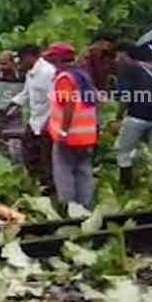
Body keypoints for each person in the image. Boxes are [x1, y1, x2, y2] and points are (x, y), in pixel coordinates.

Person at [114, 43, 152, 195]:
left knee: (123, 151)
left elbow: (125, 97)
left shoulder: (126, 68)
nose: (116, 59)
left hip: (138, 115)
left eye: (117, 55)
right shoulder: (147, 68)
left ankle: (126, 190)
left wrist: (117, 118)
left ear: (125, 54)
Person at [47, 43, 100, 209]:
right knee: (83, 172)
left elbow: (68, 104)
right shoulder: (83, 76)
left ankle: (69, 208)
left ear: (59, 59)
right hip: (87, 136)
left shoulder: (65, 78)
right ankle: (86, 207)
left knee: (64, 172)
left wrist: (63, 131)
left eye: (52, 57)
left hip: (69, 136)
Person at [8, 45, 57, 188]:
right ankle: (36, 185)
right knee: (30, 155)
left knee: (46, 159)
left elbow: (56, 100)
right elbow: (26, 93)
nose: (20, 64)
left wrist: (49, 123)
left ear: (30, 57)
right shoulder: (31, 73)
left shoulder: (48, 72)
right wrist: (11, 106)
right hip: (35, 121)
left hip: (48, 123)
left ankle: (49, 189)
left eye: (21, 60)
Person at [0, 51, 28, 163]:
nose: (1, 67)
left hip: (15, 118)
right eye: (0, 63)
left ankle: (19, 174)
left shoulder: (23, 78)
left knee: (15, 151)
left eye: (4, 64)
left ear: (13, 63)